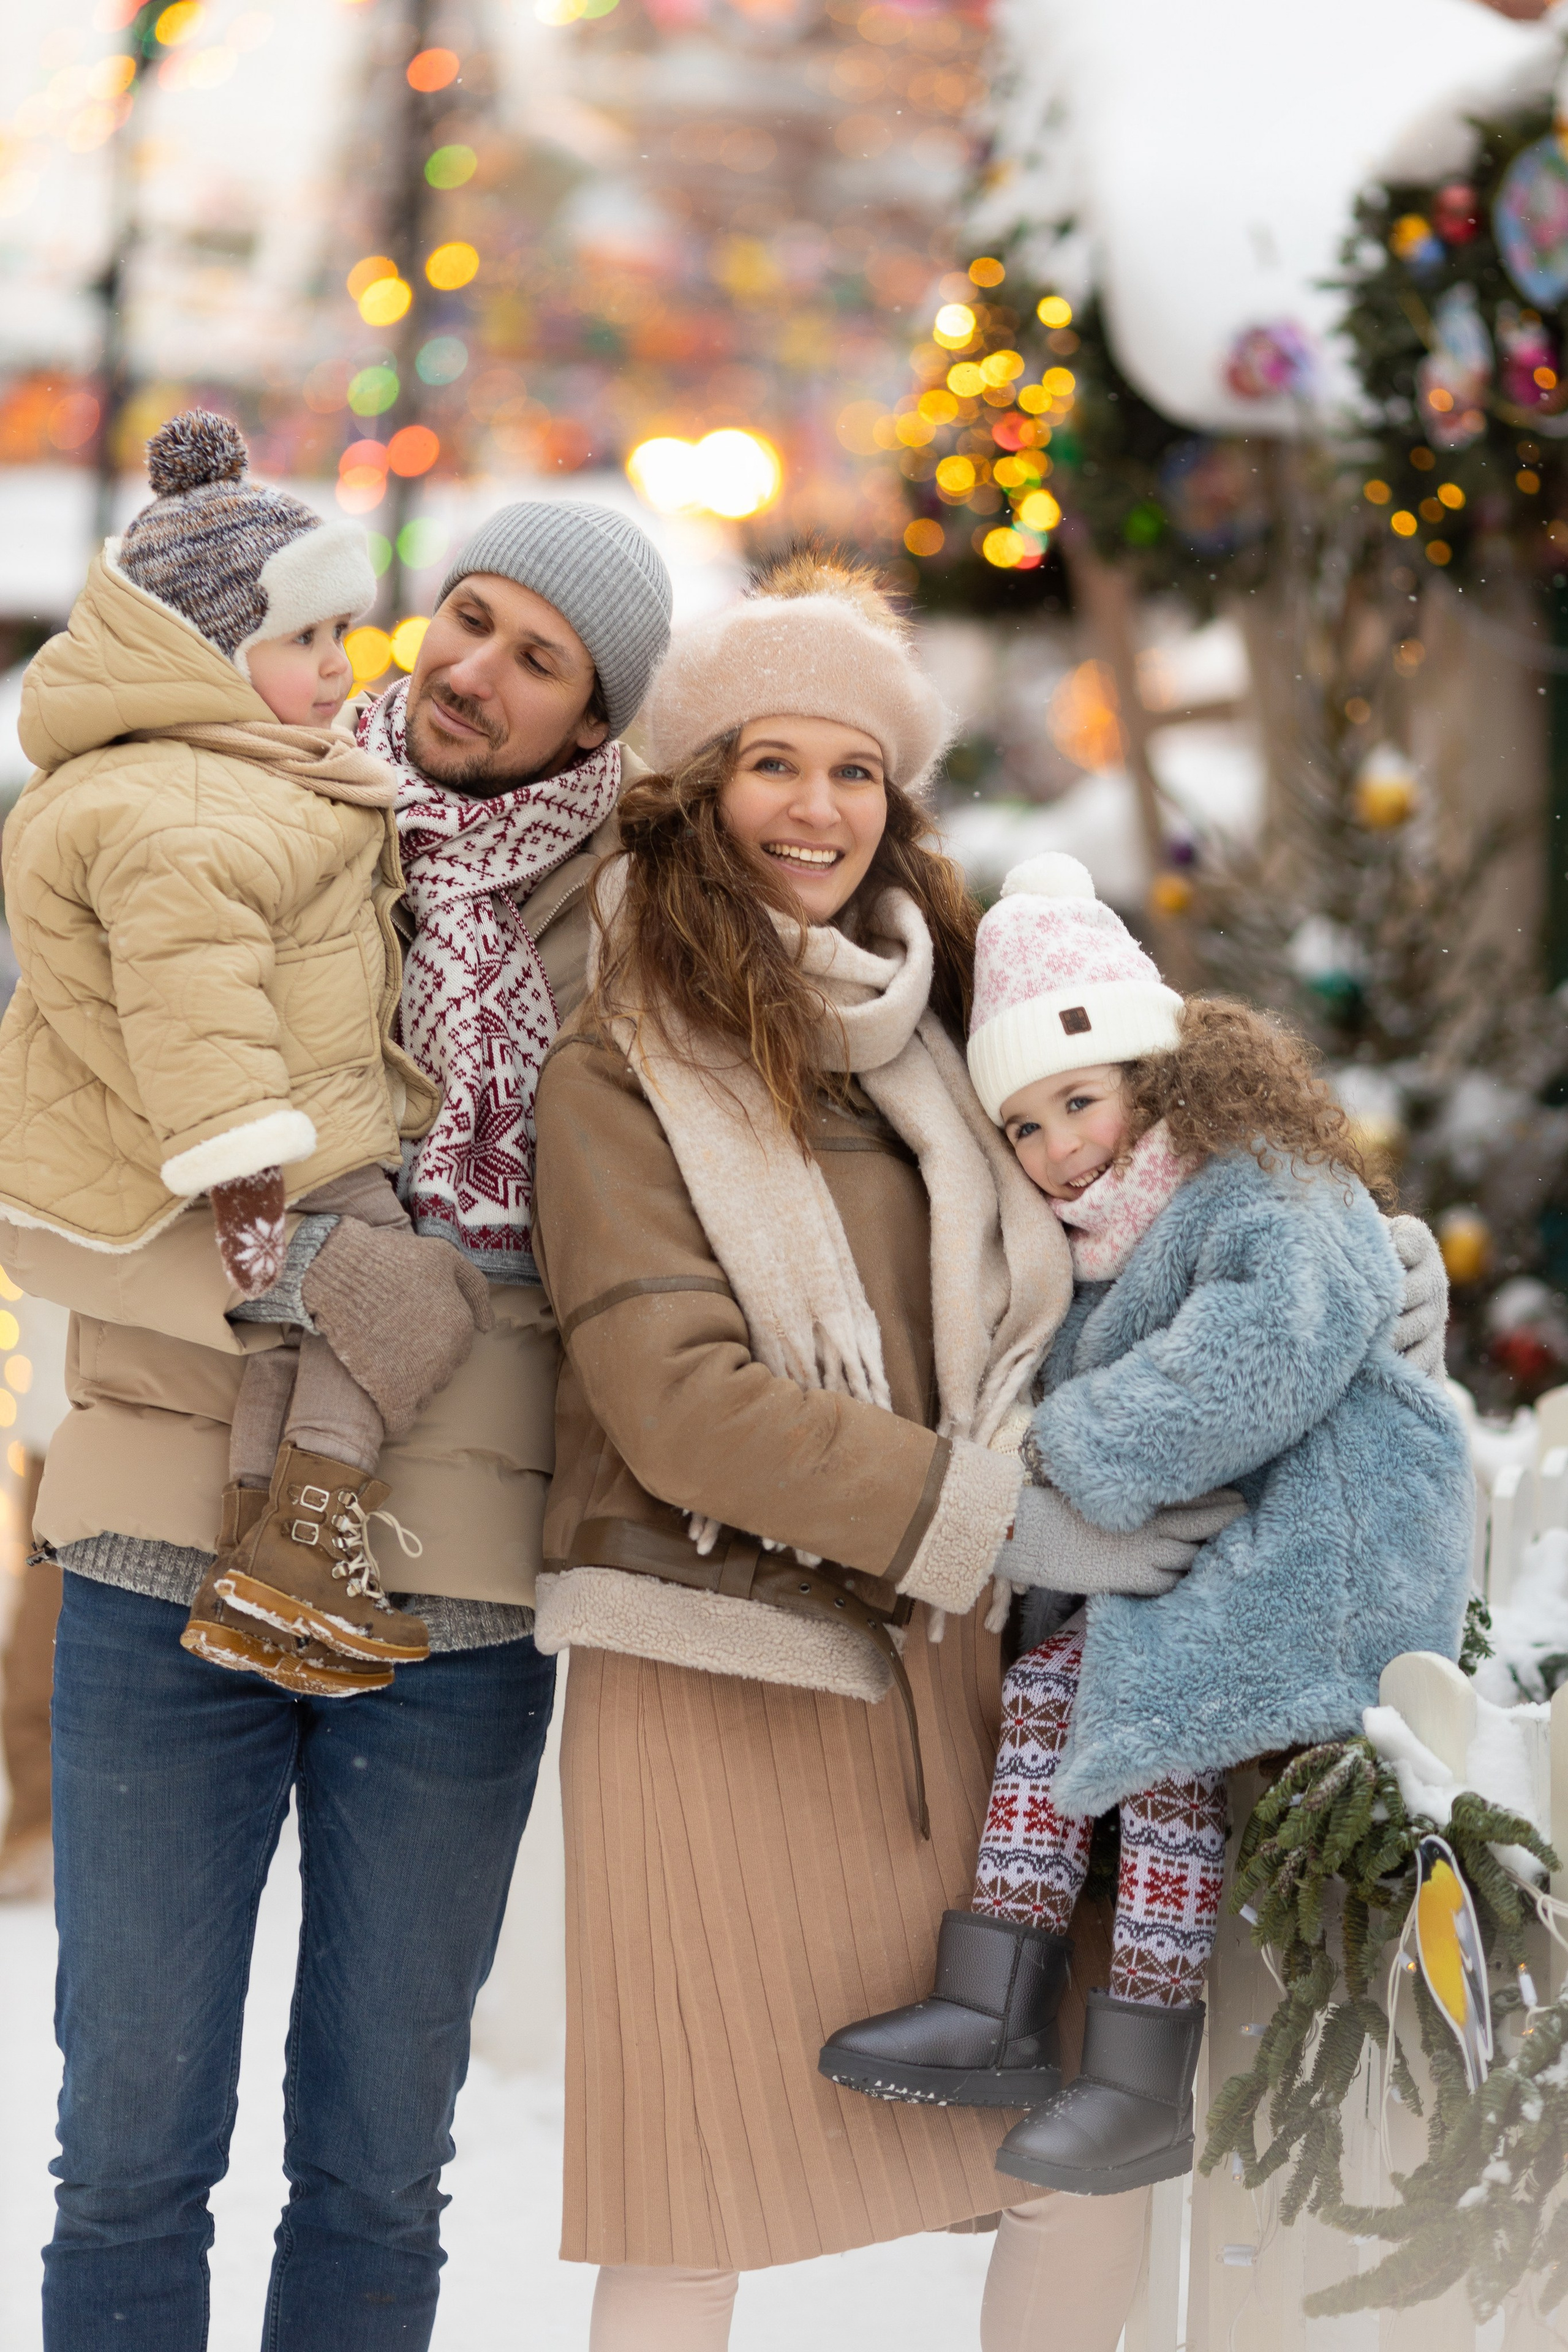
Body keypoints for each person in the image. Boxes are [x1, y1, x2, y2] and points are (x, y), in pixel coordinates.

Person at [529, 550, 1301, 2352]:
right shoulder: (620, 1065)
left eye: (855, 769)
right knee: (695, 2183)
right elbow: (676, 1398)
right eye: (772, 762)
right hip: (722, 1667)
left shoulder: (948, 1032)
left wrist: (1346, 1266)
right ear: (697, 789)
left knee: (1074, 2157)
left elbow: (1136, 1199)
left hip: (968, 1667)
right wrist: (1006, 1517)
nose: (817, 807)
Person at [0, 485, 672, 2351]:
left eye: (540, 660)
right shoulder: (239, 798)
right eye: (470, 616)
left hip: (455, 1598)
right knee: (127, 2149)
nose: (476, 670)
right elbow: (62, 1174)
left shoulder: (628, 923)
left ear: (596, 717)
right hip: (162, 1546)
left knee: (380, 2165)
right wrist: (300, 1279)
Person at [820, 852, 1472, 2198]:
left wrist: (1063, 1451)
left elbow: (1259, 1356)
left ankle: (1136, 2081)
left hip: (1327, 1552)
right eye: (1024, 1128)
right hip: (1234, 1553)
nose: (1060, 1147)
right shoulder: (1112, 1233)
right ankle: (997, 1999)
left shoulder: (1264, 1182)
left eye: (1080, 1100)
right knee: (1060, 1696)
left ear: (1158, 1075)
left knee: (1156, 1726)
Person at [0, 409, 496, 1697]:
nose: (339, 668)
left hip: (310, 1123)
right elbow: (193, 1002)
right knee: (415, 1304)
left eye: (343, 635)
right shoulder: (183, 805)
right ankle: (307, 1544)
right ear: (208, 652)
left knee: (290, 1348)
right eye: (305, 640)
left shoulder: (232, 771)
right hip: (288, 1143)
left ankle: (258, 1558)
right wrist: (248, 1181)